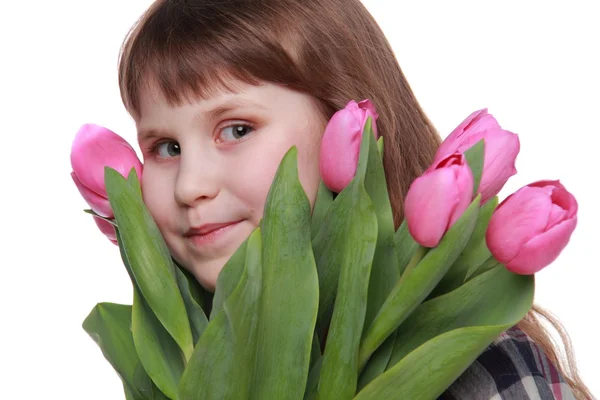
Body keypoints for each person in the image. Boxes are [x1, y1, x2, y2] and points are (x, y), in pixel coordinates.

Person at [116, 0, 593, 398]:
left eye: (236, 129)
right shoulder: (185, 368)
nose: (188, 186)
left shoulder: (486, 372)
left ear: (347, 121)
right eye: (166, 148)